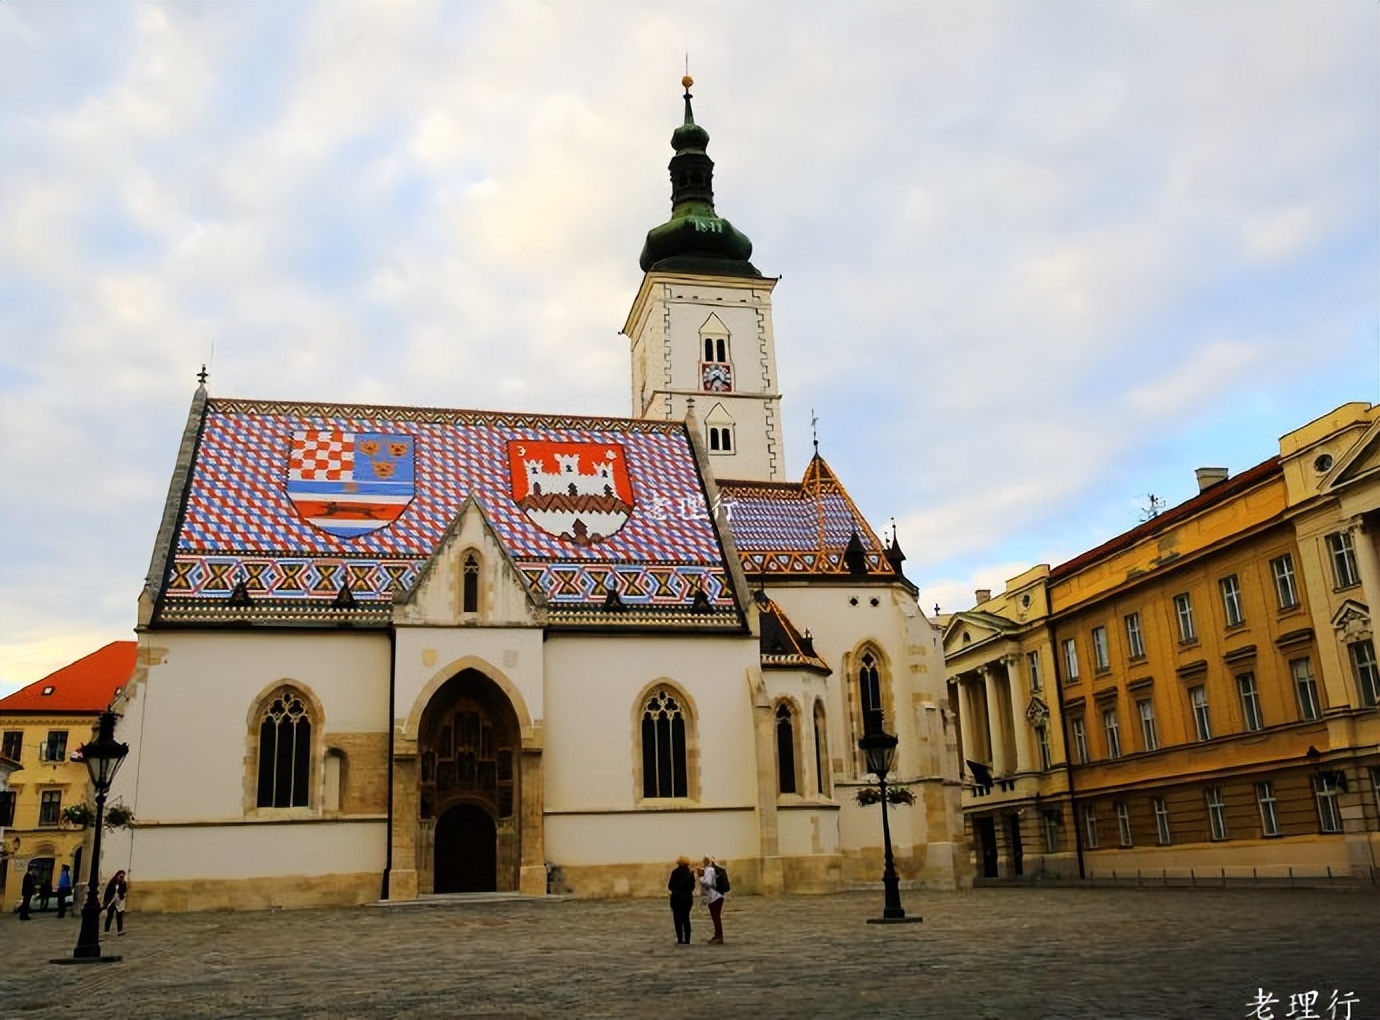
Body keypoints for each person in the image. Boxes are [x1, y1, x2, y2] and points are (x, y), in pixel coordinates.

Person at [667, 856, 697, 945]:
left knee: (677, 920)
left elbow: (670, 886)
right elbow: (692, 887)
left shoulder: (675, 872)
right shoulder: (690, 873)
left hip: (676, 899)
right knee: (686, 919)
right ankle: (687, 939)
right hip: (687, 899)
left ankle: (680, 939)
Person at [698, 855, 725, 944]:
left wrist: (701, 878)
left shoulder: (709, 870)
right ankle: (717, 935)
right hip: (714, 896)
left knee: (716, 917)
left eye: (705, 860)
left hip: (715, 896)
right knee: (715, 917)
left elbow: (708, 883)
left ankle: (719, 936)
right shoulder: (709, 870)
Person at [103, 870, 128, 936]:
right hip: (111, 901)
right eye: (120, 876)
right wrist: (105, 901)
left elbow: (124, 891)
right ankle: (106, 930)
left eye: (123, 876)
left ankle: (120, 930)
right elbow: (107, 891)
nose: (121, 877)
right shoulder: (112, 882)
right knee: (109, 916)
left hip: (119, 902)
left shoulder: (123, 883)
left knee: (119, 916)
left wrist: (121, 884)